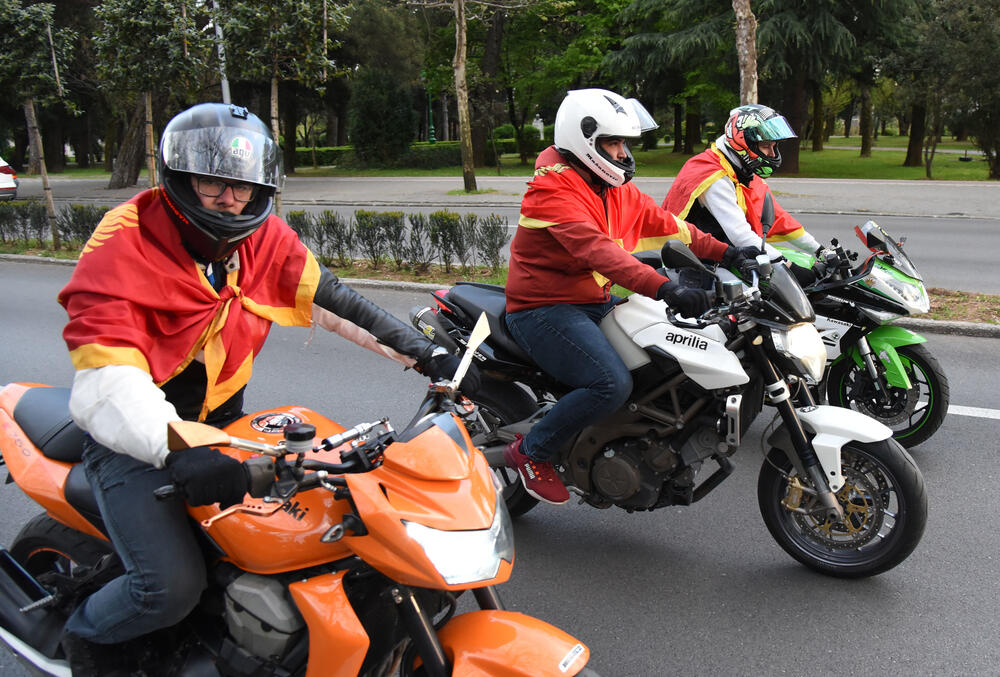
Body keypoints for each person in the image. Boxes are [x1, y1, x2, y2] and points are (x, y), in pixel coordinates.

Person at [56, 102, 476, 674]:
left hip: (226, 425)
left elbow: (336, 302)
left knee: (289, 543)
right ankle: (84, 643)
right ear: (179, 179)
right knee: (170, 586)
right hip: (135, 438)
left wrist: (426, 353)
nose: (230, 199)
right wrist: (177, 449)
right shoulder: (126, 239)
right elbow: (107, 374)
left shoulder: (262, 238)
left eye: (244, 187)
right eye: (212, 182)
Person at [502, 88, 756, 506]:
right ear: (585, 141)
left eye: (624, 143)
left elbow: (672, 225)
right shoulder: (552, 192)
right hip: (543, 309)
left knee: (660, 363)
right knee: (610, 383)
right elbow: (600, 252)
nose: (622, 153)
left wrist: (728, 252)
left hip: (594, 300)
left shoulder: (610, 187)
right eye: (613, 143)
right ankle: (531, 453)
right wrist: (666, 287)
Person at [662, 103, 826, 285]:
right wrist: (788, 267)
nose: (772, 154)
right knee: (743, 305)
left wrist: (820, 250)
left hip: (727, 255)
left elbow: (780, 219)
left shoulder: (740, 169)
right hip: (693, 263)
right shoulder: (714, 175)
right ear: (743, 142)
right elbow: (740, 235)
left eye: (774, 146)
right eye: (766, 146)